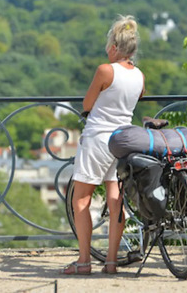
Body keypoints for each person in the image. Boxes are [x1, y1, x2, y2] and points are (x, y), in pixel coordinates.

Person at [62, 15, 145, 276]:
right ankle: (111, 262)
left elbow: (87, 104)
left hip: (98, 139)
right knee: (116, 200)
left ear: (115, 47)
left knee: (81, 199)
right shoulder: (140, 76)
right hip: (123, 141)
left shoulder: (105, 71)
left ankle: (84, 261)